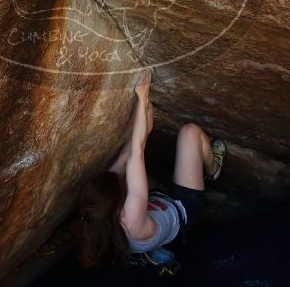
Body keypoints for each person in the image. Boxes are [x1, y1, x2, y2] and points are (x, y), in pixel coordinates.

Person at [77, 69, 226, 270]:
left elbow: (125, 156)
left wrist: (145, 126)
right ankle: (212, 169)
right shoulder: (131, 219)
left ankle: (149, 249)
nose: (118, 178)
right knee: (190, 132)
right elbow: (137, 152)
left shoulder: (95, 214)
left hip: (154, 208)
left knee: (139, 172)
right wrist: (142, 95)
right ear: (118, 201)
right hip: (184, 208)